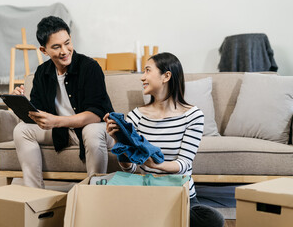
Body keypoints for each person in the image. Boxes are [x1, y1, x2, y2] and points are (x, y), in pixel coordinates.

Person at [104, 52, 224, 227]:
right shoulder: (136, 117)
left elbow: (184, 163)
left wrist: (155, 165)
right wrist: (118, 142)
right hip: (149, 195)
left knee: (213, 220)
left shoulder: (193, 116)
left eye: (147, 71)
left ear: (166, 76)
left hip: (180, 195)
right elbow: (130, 169)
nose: (142, 77)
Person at [12, 16, 114, 188]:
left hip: (97, 129)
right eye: (56, 47)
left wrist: (57, 121)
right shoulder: (41, 73)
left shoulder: (90, 67)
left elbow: (96, 114)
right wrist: (20, 102)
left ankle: (95, 193)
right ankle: (35, 195)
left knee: (91, 131)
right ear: (44, 50)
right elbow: (38, 112)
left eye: (67, 43)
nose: (65, 51)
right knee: (21, 130)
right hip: (61, 131)